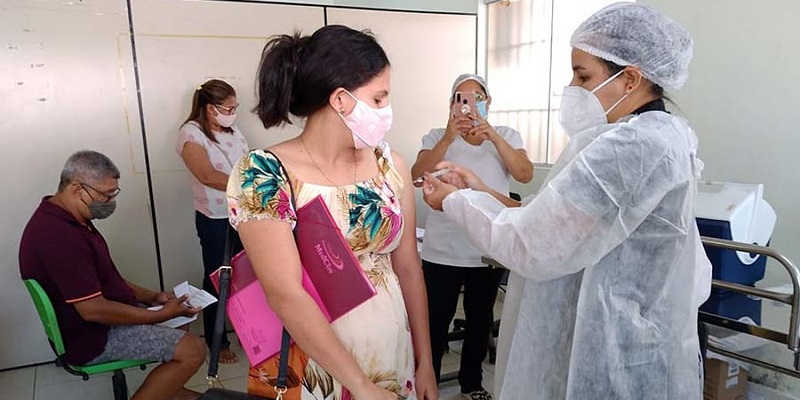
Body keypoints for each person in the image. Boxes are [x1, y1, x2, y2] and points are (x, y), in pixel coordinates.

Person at [421, 3, 712, 399]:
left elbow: (532, 243)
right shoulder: (642, 135)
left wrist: (454, 202)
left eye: (583, 74)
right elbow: (546, 216)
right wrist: (475, 190)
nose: (573, 87)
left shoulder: (635, 147)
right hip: (617, 330)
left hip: (621, 346)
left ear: (630, 79)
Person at [226, 25, 437, 400]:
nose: (387, 112)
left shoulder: (392, 167)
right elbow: (284, 293)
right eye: (378, 98)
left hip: (392, 355)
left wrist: (425, 363)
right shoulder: (262, 174)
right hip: (316, 365)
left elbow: (406, 267)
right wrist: (359, 387)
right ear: (341, 99)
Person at [19, 150, 207, 400]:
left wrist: (155, 297)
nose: (110, 201)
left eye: (113, 193)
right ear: (77, 189)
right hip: (91, 336)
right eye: (105, 194)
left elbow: (105, 278)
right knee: (193, 349)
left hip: (99, 320)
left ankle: (169, 391)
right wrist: (158, 315)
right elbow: (92, 309)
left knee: (181, 317)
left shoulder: (71, 218)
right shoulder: (58, 236)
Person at [410, 74, 532, 400]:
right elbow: (416, 176)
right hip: (441, 250)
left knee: (480, 321)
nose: (469, 104)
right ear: (451, 105)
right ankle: (428, 385)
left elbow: (524, 173)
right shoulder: (437, 136)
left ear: (488, 103)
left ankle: (472, 385)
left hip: (487, 248)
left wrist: (493, 137)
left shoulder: (505, 135)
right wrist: (449, 138)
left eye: (477, 97)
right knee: (435, 321)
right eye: (460, 98)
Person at [178, 78, 249, 364]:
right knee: (218, 281)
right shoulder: (191, 133)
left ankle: (253, 333)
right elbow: (206, 175)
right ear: (210, 108)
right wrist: (249, 184)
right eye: (228, 107)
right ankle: (217, 342)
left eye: (235, 107)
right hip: (215, 219)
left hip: (244, 215)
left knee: (248, 279)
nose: (233, 112)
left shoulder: (234, 132)